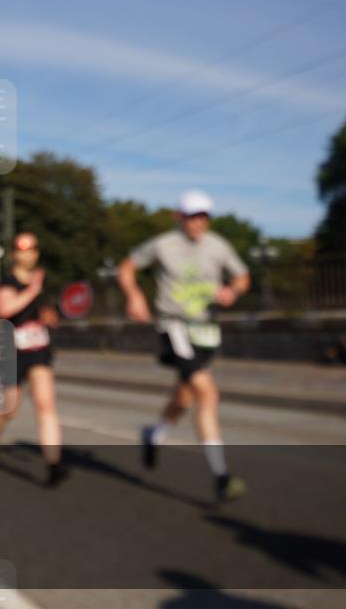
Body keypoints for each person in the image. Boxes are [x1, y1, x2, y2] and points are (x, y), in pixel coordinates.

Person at [117, 190, 251, 502]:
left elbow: (243, 277)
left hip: (205, 330)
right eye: (192, 216)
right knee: (208, 393)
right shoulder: (164, 244)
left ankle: (154, 434)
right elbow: (126, 267)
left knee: (185, 395)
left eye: (203, 216)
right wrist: (134, 296)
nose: (198, 222)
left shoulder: (218, 246)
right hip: (173, 325)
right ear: (180, 217)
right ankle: (221, 476)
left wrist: (233, 290)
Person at [0, 232, 67, 487]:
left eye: (31, 248)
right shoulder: (7, 283)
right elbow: (5, 309)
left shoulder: (41, 284)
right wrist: (31, 291)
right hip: (13, 353)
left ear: (36, 253)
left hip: (39, 351)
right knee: (10, 409)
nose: (26, 253)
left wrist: (50, 317)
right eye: (21, 248)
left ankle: (53, 463)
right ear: (13, 254)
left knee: (45, 405)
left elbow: (44, 313)